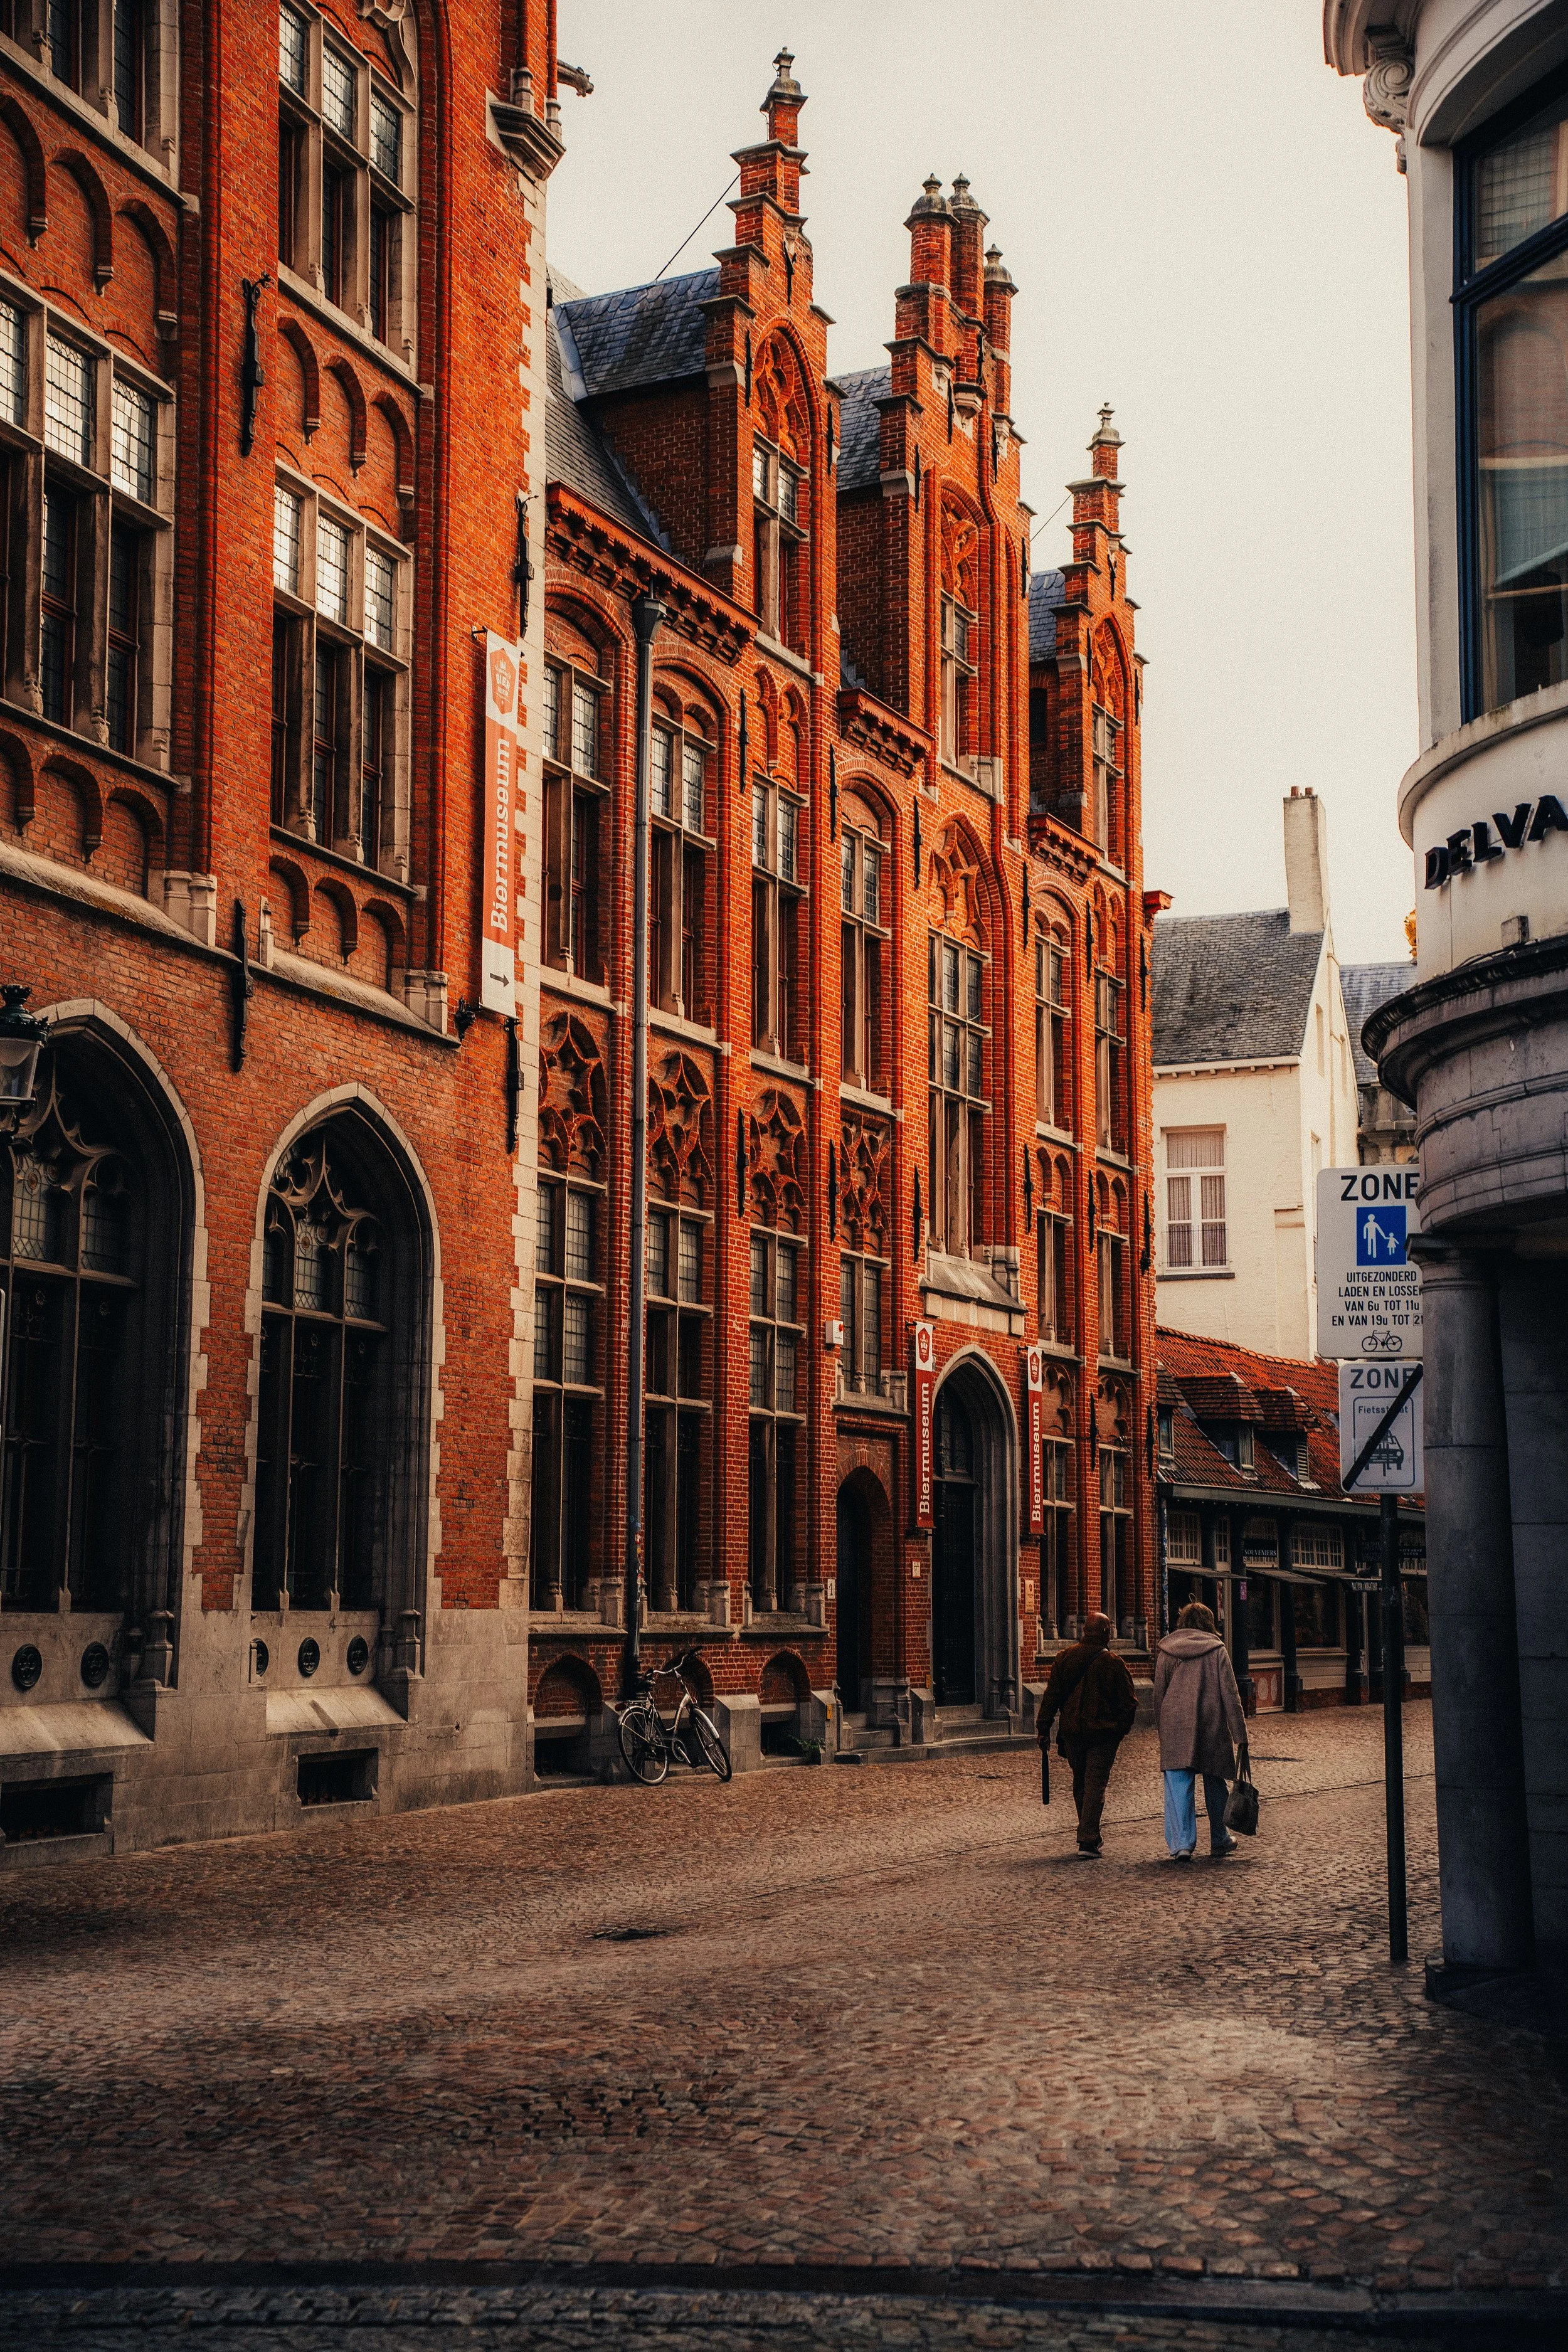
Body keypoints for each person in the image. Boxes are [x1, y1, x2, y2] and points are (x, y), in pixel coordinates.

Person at [1036, 1611, 1138, 1858]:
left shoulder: (1064, 1658)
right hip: (1102, 1734)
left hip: (1073, 1733)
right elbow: (1129, 1703)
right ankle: (1088, 1839)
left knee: (1082, 1782)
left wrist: (1043, 1728)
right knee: (1094, 1785)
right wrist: (1118, 1730)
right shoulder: (1113, 1663)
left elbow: (1051, 1696)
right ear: (1105, 1633)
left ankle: (1088, 1832)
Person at [1152, 1601, 1248, 1862]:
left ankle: (1182, 1844)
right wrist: (1241, 1735)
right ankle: (1220, 1837)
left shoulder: (1166, 1650)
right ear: (1209, 1623)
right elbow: (1231, 1695)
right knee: (1215, 1782)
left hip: (1175, 1724)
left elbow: (1159, 1693)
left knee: (1178, 1784)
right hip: (1211, 1723)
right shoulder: (1217, 1650)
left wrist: (1163, 1729)